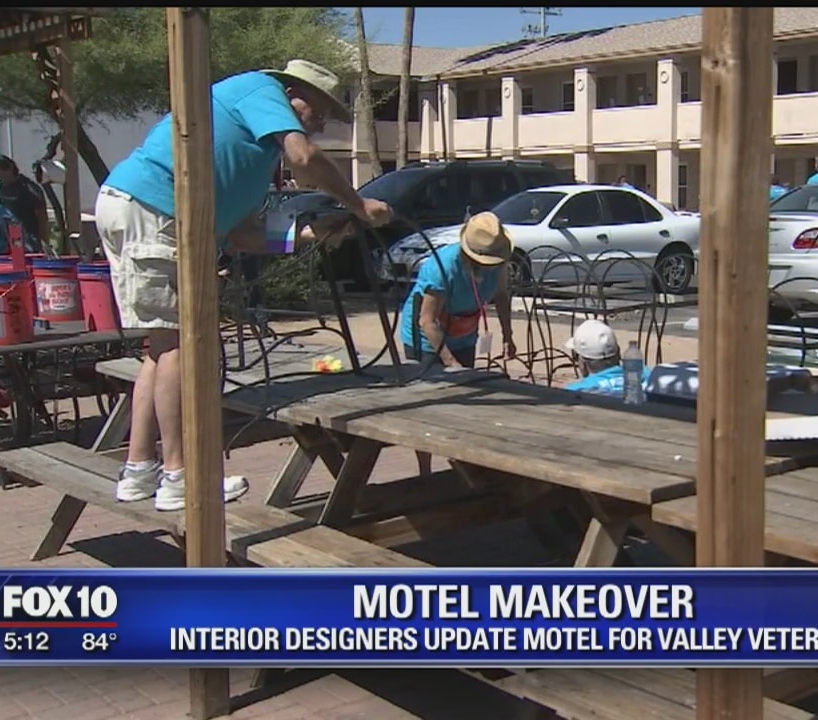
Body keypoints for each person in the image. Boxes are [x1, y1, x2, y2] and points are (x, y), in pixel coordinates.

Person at [97, 58, 392, 512]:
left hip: (144, 210)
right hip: (155, 212)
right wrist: (359, 204)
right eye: (319, 113)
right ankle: (181, 477)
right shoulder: (260, 90)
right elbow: (305, 158)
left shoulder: (256, 151)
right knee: (183, 347)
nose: (319, 125)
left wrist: (314, 233)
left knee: (162, 348)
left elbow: (242, 235)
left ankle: (139, 470)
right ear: (294, 95)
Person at [400, 210, 515, 477]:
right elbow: (427, 321)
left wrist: (508, 334)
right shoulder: (441, 267)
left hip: (465, 331)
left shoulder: (498, 261)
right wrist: (451, 363)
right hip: (427, 338)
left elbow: (501, 296)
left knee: (466, 401)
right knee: (428, 407)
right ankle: (425, 472)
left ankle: (463, 467)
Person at [563, 319, 650, 395]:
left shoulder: (576, 391)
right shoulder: (649, 376)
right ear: (619, 353)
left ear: (583, 362)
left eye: (575, 357)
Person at [0, 155, 50, 252]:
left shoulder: (29, 188)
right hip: (11, 237)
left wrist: (44, 242)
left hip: (29, 239)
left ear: (10, 169)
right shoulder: (2, 189)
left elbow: (42, 217)